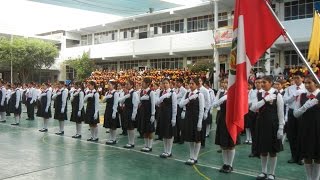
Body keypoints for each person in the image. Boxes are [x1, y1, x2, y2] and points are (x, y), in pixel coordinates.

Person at [251, 76, 285, 180]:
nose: (262, 84)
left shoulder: (277, 95)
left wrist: (281, 127)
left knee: (272, 150)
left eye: (264, 82)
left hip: (273, 126)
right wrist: (264, 100)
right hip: (261, 124)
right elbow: (253, 108)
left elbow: (281, 112)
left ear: (270, 83)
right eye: (260, 82)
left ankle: (272, 173)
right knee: (263, 149)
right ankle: (264, 171)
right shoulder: (259, 94)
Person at [293, 75, 320, 180]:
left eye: (310, 83)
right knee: (307, 156)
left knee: (318, 156)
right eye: (306, 83)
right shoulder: (302, 96)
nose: (307, 85)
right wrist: (305, 106)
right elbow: (295, 114)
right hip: (306, 129)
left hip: (318, 129)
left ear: (316, 83)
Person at [212, 78, 235, 173]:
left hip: (232, 119)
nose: (224, 84)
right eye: (223, 82)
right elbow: (214, 104)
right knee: (223, 144)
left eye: (226, 82)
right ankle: (225, 164)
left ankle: (230, 164)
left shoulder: (234, 93)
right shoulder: (220, 93)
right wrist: (224, 97)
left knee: (231, 144)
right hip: (222, 118)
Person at [179, 78, 204, 165]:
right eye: (190, 83)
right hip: (188, 118)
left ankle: (195, 157)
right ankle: (191, 156)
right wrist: (189, 99)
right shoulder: (187, 93)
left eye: (192, 84)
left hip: (196, 118)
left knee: (197, 139)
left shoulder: (200, 95)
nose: (190, 85)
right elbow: (181, 104)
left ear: (197, 85)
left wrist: (200, 121)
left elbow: (201, 109)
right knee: (190, 139)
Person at [283, 71, 306, 165]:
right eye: (294, 78)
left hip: (303, 113)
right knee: (292, 136)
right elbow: (285, 101)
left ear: (302, 78)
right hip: (292, 112)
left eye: (298, 78)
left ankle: (301, 157)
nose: (296, 80)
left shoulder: (306, 87)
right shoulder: (289, 89)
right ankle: (294, 156)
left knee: (301, 135)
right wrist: (294, 95)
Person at [156, 78, 177, 158]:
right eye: (163, 83)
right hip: (162, 114)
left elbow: (175, 106)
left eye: (166, 83)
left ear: (169, 84)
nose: (165, 85)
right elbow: (157, 103)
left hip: (169, 114)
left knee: (169, 133)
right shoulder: (161, 92)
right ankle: (165, 150)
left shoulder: (173, 93)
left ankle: (169, 151)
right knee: (164, 133)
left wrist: (173, 118)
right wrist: (163, 97)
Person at [119, 80, 139, 148]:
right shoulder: (126, 93)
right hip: (126, 111)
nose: (126, 86)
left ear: (131, 85)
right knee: (128, 127)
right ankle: (129, 142)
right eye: (126, 84)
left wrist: (134, 114)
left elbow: (135, 104)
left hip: (131, 111)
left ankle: (132, 142)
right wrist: (124, 97)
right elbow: (121, 101)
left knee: (131, 127)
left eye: (127, 84)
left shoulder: (134, 93)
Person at [138, 77, 156, 152]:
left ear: (147, 84)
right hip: (143, 113)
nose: (142, 83)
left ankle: (150, 146)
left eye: (143, 82)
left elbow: (153, 104)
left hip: (149, 113)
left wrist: (153, 114)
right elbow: (140, 102)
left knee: (150, 130)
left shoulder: (151, 92)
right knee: (144, 130)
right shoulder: (141, 92)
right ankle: (146, 145)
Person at [103, 80, 120, 145]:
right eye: (108, 85)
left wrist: (114, 112)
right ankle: (110, 138)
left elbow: (116, 103)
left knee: (113, 125)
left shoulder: (115, 93)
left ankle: (114, 139)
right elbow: (103, 101)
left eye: (110, 85)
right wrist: (106, 97)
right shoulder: (107, 93)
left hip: (113, 110)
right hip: (108, 109)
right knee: (109, 125)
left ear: (113, 86)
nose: (108, 86)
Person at [198, 77, 211, 148]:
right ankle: (198, 141)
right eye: (198, 81)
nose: (199, 82)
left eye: (200, 81)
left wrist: (206, 112)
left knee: (202, 128)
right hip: (197, 110)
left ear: (202, 82)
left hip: (204, 109)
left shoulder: (205, 90)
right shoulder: (196, 90)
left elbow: (208, 102)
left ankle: (202, 143)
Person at [174, 78, 187, 144]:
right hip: (176, 107)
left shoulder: (184, 90)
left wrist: (184, 110)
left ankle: (182, 139)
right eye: (176, 82)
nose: (176, 84)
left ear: (181, 83)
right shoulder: (176, 90)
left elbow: (185, 100)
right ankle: (177, 138)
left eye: (178, 82)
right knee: (176, 124)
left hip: (181, 108)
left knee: (181, 124)